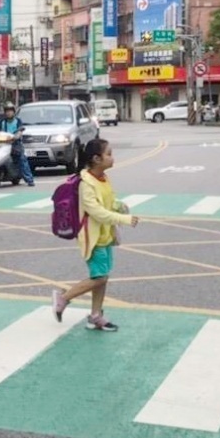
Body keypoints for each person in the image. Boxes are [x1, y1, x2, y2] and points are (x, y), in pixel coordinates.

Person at [51, 138, 138, 331]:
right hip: (93, 238)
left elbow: (108, 201)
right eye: (109, 153)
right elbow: (96, 211)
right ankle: (63, 298)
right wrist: (122, 219)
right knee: (99, 278)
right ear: (97, 159)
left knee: (102, 276)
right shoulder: (86, 183)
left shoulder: (103, 178)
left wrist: (119, 206)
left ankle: (96, 315)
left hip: (105, 235)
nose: (112, 157)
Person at [0, 103, 35, 187]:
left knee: (22, 159)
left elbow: (20, 130)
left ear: (14, 112)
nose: (8, 113)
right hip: (3, 144)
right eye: (7, 111)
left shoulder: (18, 121)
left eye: (10, 111)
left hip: (15, 144)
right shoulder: (2, 122)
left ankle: (29, 179)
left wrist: (17, 136)